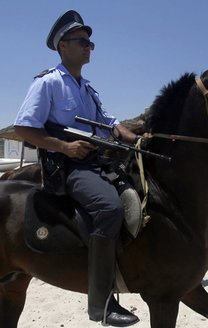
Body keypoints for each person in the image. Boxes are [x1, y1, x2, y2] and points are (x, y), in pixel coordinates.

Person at [13, 10, 139, 326]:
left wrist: (126, 131)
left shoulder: (87, 88)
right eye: (82, 41)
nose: (89, 47)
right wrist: (64, 146)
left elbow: (108, 122)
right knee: (109, 208)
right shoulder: (48, 83)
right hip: (68, 166)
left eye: (90, 43)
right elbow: (24, 129)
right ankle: (101, 304)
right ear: (63, 46)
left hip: (97, 161)